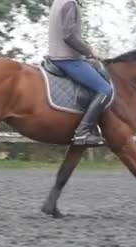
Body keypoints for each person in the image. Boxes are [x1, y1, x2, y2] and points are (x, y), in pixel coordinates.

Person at [48, 0, 113, 146]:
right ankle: (82, 132)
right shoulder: (70, 3)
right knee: (105, 90)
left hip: (59, 56)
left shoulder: (58, 2)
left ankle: (93, 126)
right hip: (67, 59)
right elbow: (69, 36)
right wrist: (89, 51)